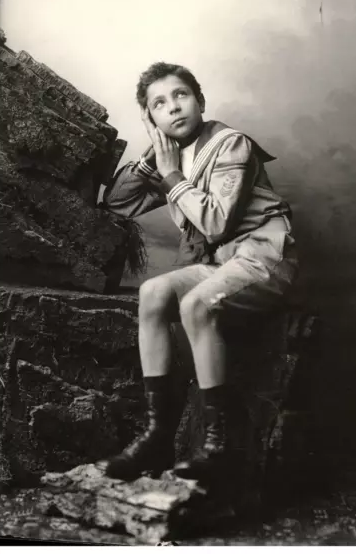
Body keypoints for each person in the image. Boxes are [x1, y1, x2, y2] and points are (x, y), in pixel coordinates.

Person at [101, 61, 299, 483]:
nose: (173, 107)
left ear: (200, 101)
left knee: (195, 305)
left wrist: (172, 175)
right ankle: (157, 435)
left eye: (180, 95)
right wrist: (151, 155)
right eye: (159, 104)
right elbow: (118, 202)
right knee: (152, 292)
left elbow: (215, 224)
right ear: (151, 118)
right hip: (221, 264)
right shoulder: (170, 156)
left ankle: (219, 444)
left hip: (264, 256)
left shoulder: (231, 145)